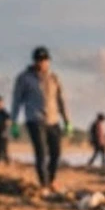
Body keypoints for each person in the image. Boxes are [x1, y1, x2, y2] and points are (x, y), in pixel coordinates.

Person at [10, 46, 72, 191]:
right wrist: (14, 122)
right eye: (38, 60)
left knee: (56, 153)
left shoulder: (54, 78)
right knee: (41, 153)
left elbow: (61, 100)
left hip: (53, 120)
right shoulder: (24, 78)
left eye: (44, 60)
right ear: (34, 61)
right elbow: (17, 101)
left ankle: (51, 180)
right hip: (35, 119)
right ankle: (44, 184)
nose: (41, 63)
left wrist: (67, 121)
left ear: (48, 61)